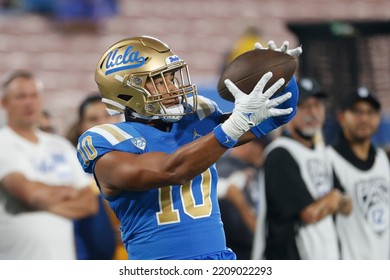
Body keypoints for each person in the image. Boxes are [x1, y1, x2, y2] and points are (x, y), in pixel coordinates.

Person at [76, 36, 301, 260]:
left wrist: (279, 75)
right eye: (160, 81)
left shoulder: (192, 123)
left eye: (172, 77)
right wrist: (232, 128)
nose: (173, 86)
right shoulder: (107, 142)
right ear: (127, 91)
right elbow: (172, 170)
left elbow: (278, 112)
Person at [0, 70, 98, 260]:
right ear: (4, 103)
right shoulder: (3, 143)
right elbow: (29, 193)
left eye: (34, 95)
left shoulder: (60, 146)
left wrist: (37, 202)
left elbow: (89, 204)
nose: (29, 102)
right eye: (21, 96)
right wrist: (68, 192)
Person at [252, 77, 352, 260]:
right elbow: (310, 214)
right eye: (304, 106)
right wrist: (334, 198)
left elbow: (348, 206)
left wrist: (334, 199)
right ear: (288, 112)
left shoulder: (323, 153)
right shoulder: (279, 153)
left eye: (317, 105)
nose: (312, 112)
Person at [326, 87, 390, 259]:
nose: (364, 118)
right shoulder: (328, 160)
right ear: (341, 117)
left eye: (370, 112)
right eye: (356, 111)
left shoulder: (382, 158)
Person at [67, 94, 128, 260]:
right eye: (93, 119)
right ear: (81, 127)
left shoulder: (141, 158)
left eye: (108, 115)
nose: (103, 123)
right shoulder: (71, 171)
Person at [216, 137, 270, 260]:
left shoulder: (251, 169)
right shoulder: (224, 168)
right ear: (248, 144)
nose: (263, 152)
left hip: (253, 249)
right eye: (261, 147)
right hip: (236, 250)